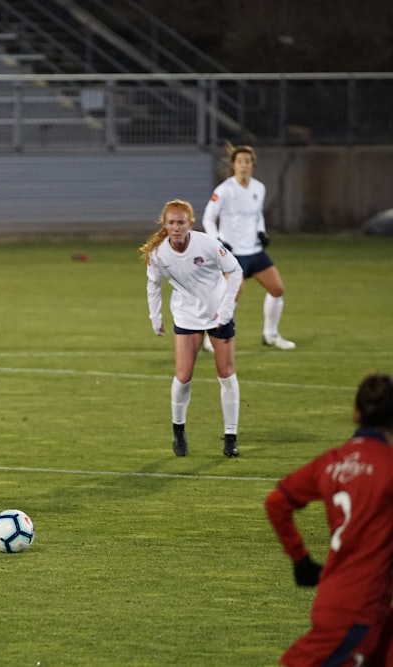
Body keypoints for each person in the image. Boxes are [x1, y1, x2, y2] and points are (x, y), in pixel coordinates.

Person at [265, 373, 393, 667]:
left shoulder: (332, 461)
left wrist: (301, 560)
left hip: (344, 600)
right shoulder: (388, 466)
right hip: (357, 610)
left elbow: (277, 502)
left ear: (356, 413)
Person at [140, 199, 243, 457]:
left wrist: (227, 309)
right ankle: (178, 430)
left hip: (218, 313)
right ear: (165, 225)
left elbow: (235, 271)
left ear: (190, 223)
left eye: (181, 222)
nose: (176, 227)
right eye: (171, 223)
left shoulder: (206, 244)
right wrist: (155, 317)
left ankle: (230, 436)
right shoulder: (159, 254)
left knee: (226, 374)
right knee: (183, 376)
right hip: (187, 316)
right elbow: (153, 285)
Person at [202, 143, 296, 351]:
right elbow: (209, 217)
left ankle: (270, 335)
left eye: (247, 162)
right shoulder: (224, 190)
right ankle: (212, 337)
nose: (244, 165)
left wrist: (262, 232)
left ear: (253, 165)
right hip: (233, 254)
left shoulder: (258, 188)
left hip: (254, 251)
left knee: (277, 289)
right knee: (233, 294)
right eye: (240, 162)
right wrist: (217, 240)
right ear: (233, 165)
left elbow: (257, 214)